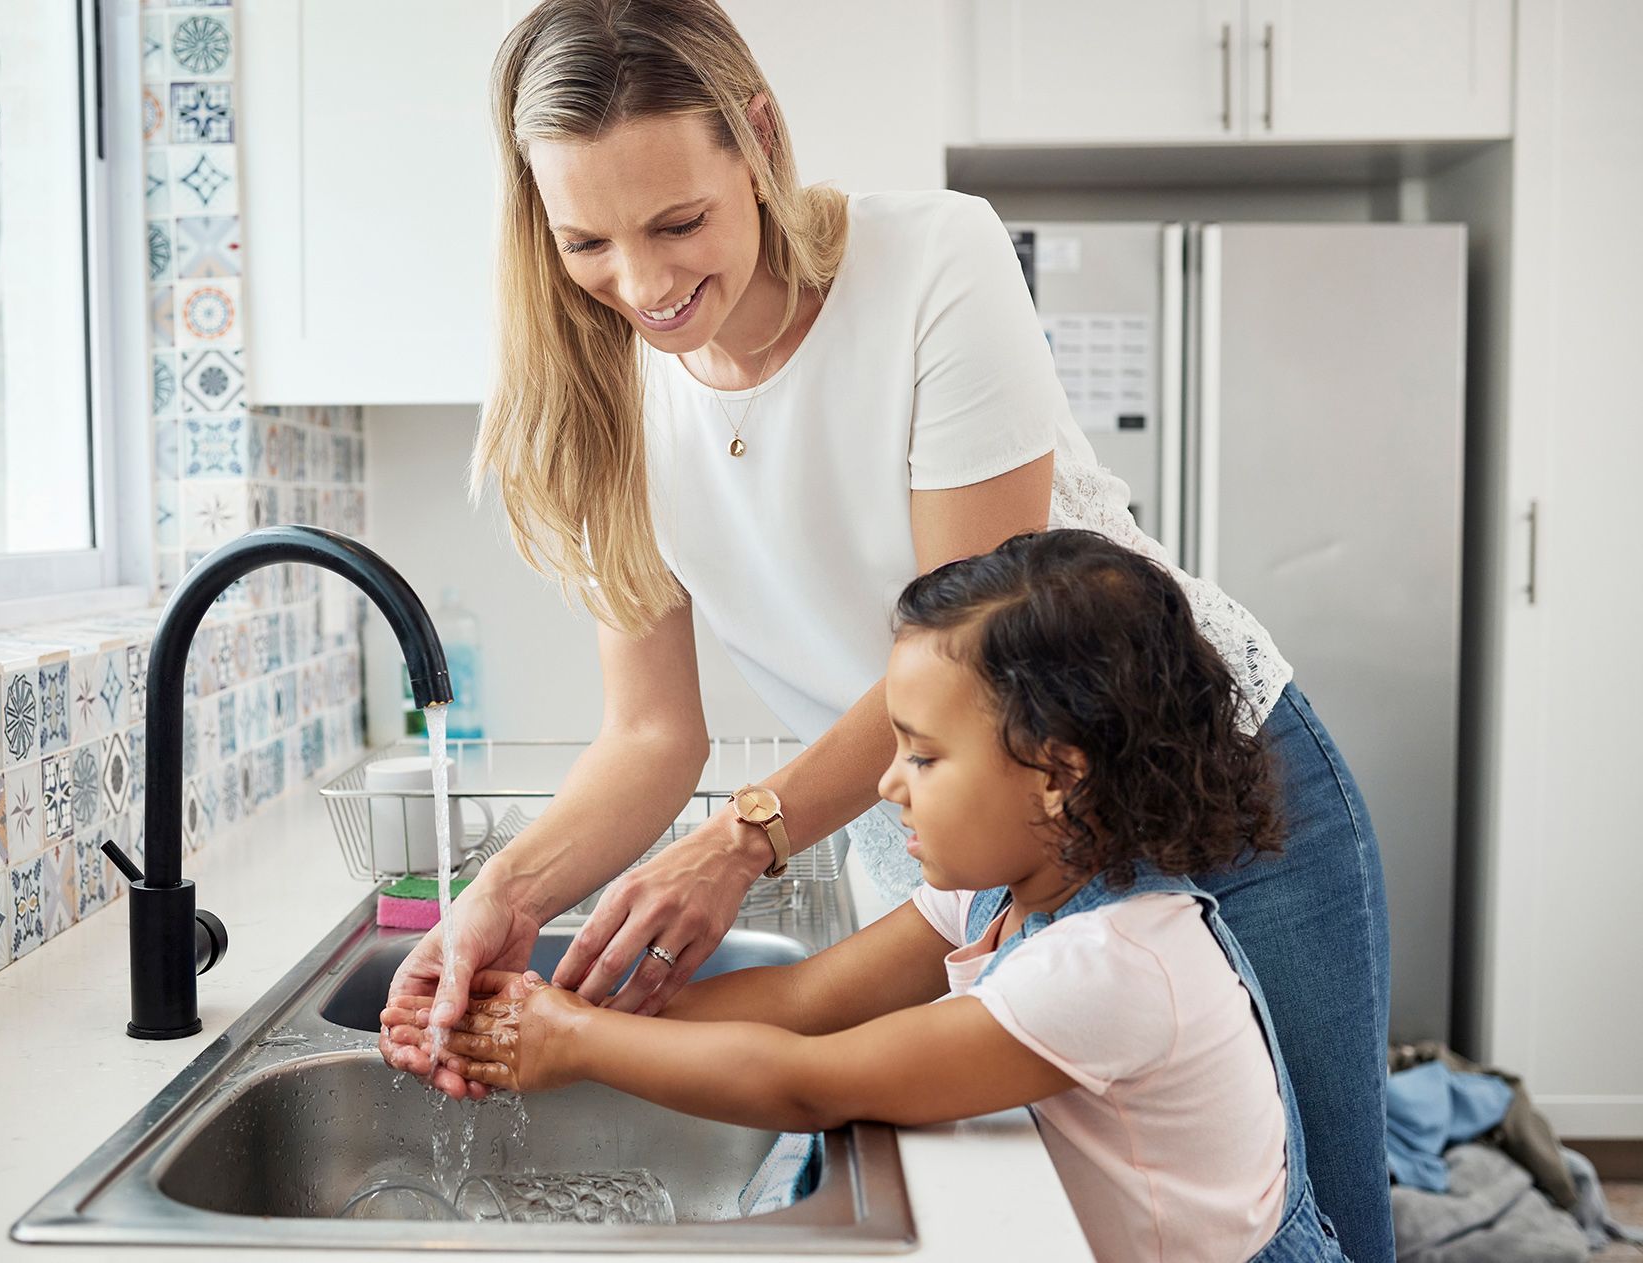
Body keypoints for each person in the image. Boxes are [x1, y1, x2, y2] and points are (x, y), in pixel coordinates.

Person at [383, 3, 1391, 1256]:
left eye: (680, 221)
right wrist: (500, 906)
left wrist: (748, 837)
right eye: (586, 239)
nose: (642, 285)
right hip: (981, 841)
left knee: (1323, 1217)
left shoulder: (933, 262)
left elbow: (980, 668)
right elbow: (650, 736)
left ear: (757, 138)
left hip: (1210, 775)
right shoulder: (603, 392)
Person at [387, 532, 1349, 1262]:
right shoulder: (1008, 893)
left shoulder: (1112, 964)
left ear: (1057, 776)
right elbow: (804, 1002)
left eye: (924, 757)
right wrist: (548, 1009)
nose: (889, 785)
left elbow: (815, 1078)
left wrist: (577, 1045)